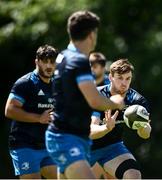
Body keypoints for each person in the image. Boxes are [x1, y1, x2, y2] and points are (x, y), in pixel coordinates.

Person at [45, 10, 125, 179]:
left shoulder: (63, 56)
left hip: (67, 136)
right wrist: (116, 102)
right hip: (67, 138)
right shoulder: (79, 61)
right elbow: (94, 100)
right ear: (91, 34)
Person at [90, 59, 152, 179]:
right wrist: (106, 128)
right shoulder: (98, 96)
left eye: (128, 78)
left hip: (112, 147)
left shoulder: (137, 101)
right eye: (120, 78)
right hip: (83, 146)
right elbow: (91, 132)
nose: (124, 83)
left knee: (133, 175)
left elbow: (146, 134)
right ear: (111, 77)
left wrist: (143, 128)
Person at [5, 44, 58, 179]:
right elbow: (9, 110)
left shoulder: (56, 84)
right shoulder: (25, 83)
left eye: (52, 62)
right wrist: (39, 117)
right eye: (45, 61)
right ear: (37, 62)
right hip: (24, 144)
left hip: (47, 145)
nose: (49, 66)